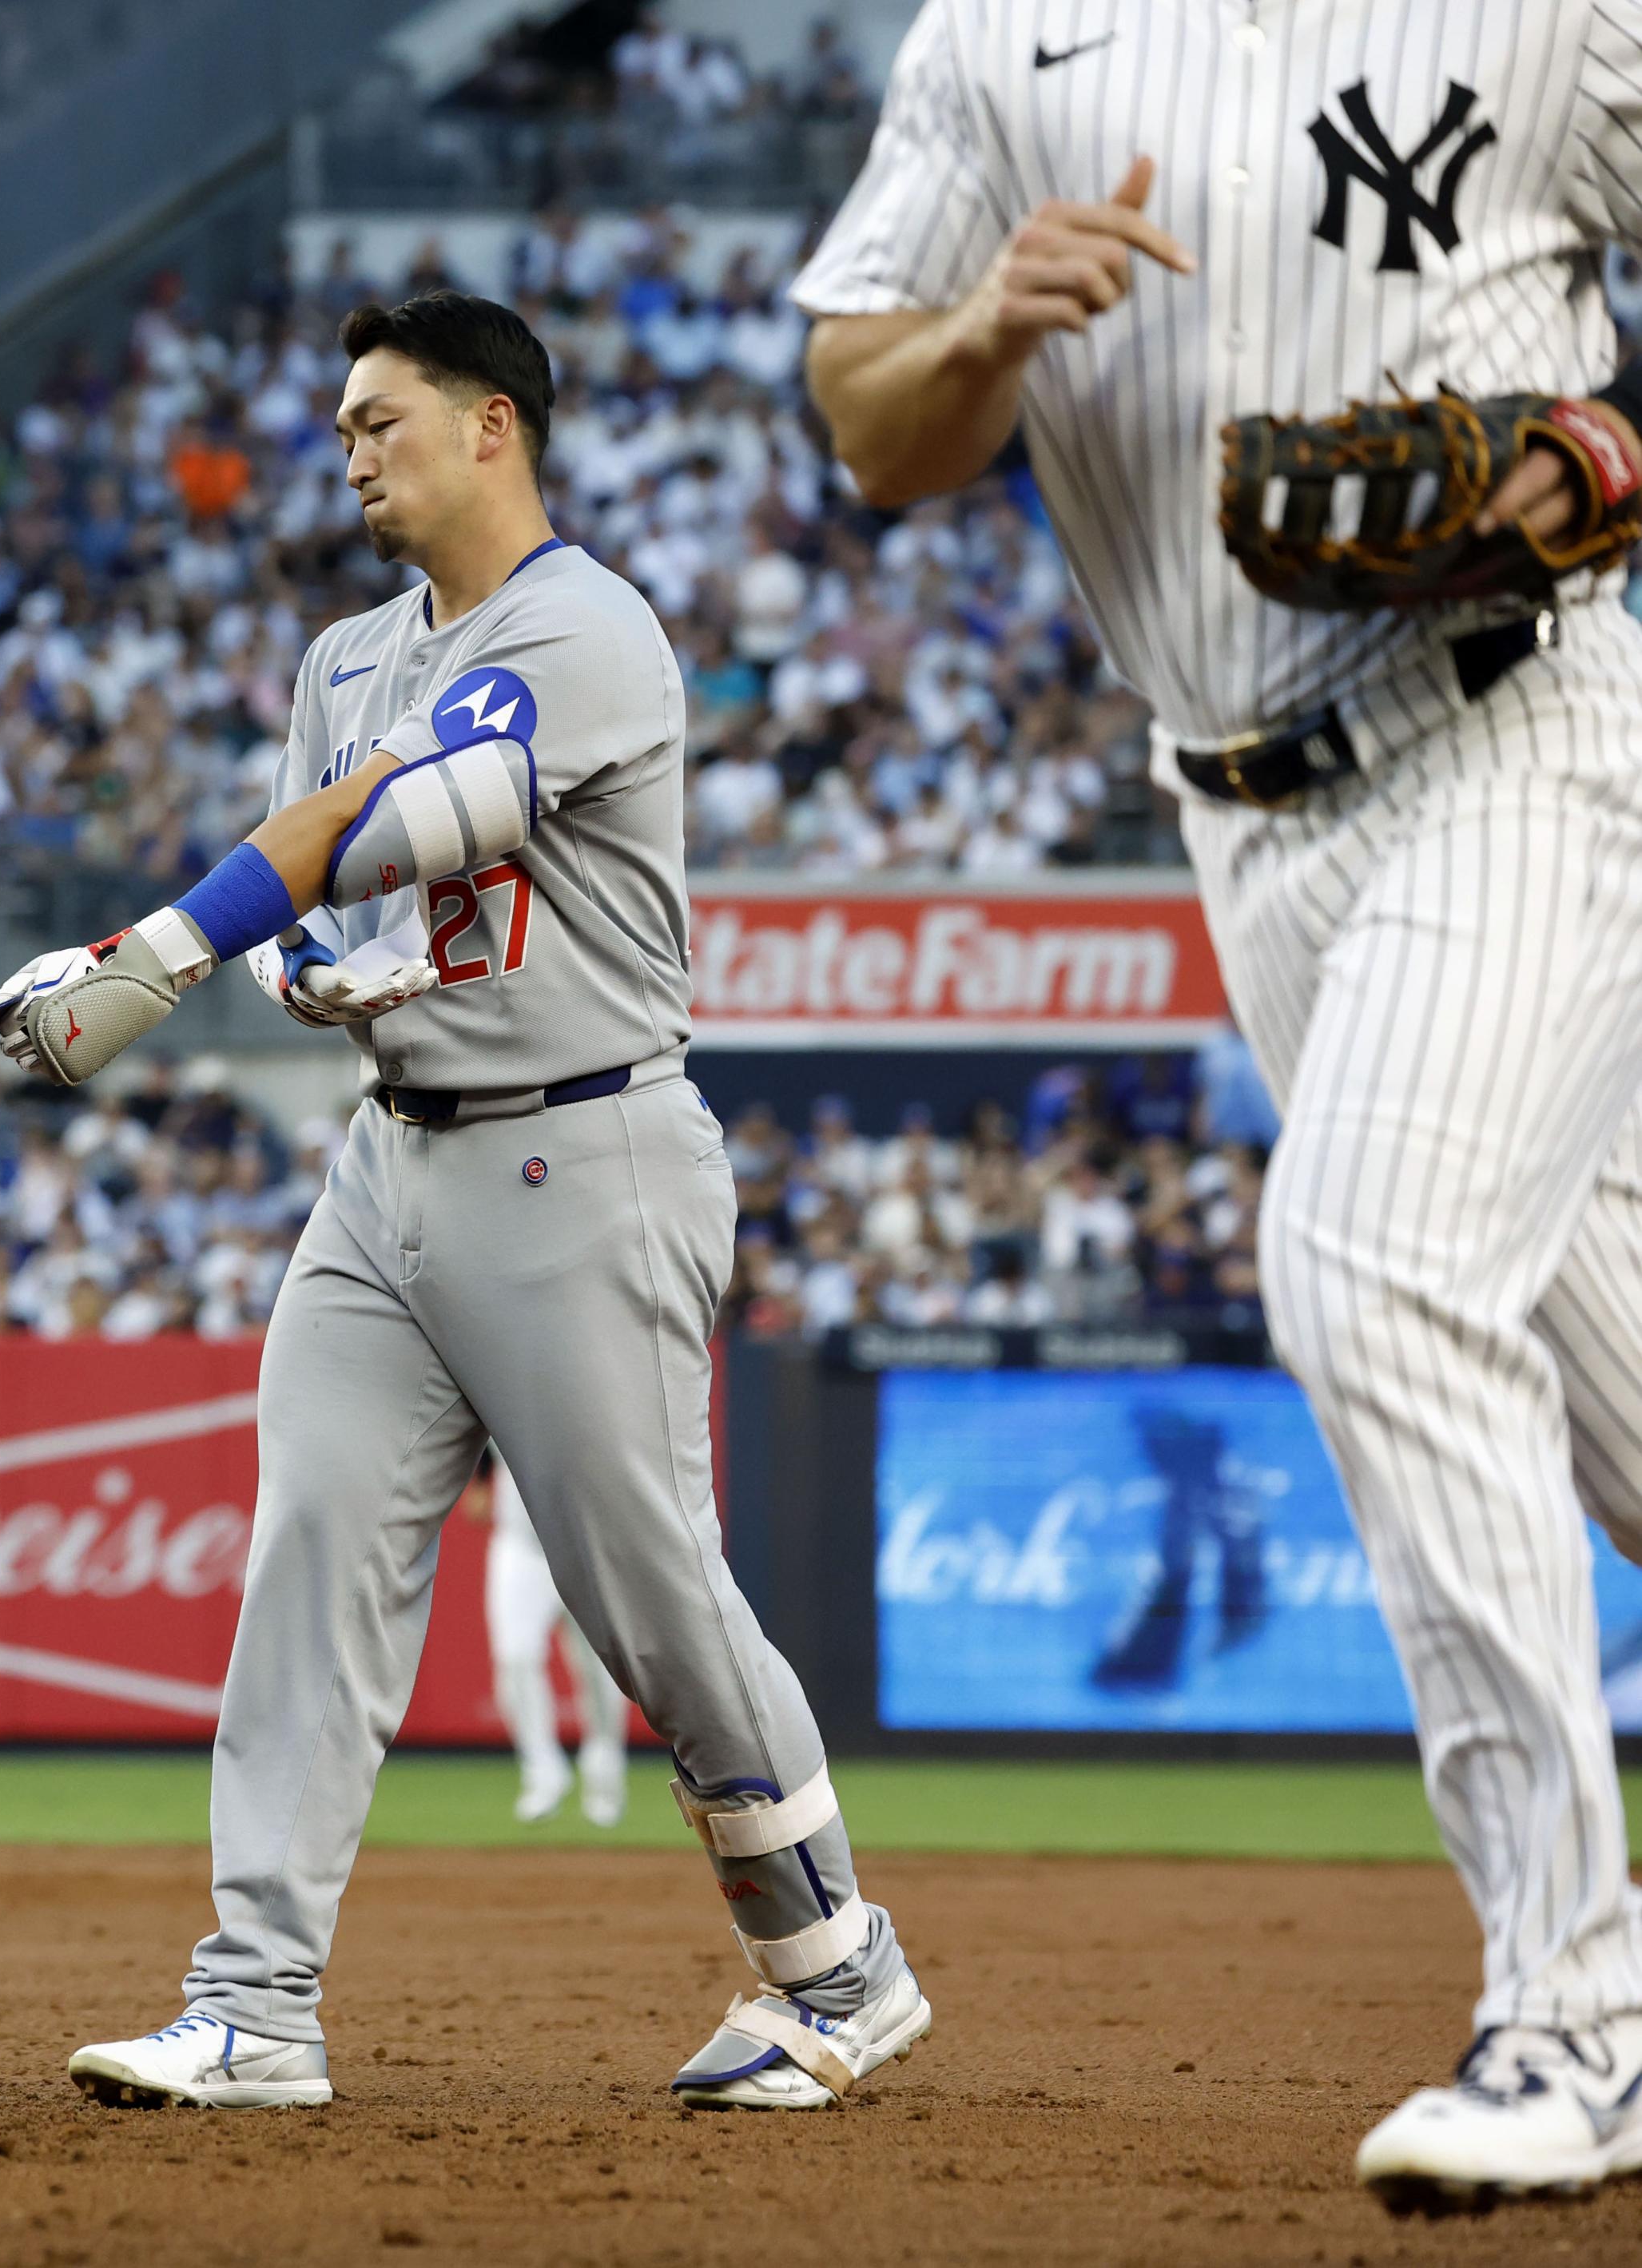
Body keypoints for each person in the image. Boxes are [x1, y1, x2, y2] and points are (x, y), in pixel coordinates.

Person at [793, 0, 1642, 2210]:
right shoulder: (993, 39)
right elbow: (867, 420)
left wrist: (1611, 446)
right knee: (1618, 1403)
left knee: (1362, 1268)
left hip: (1514, 724)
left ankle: (1576, 2003)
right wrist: (983, 322)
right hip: (1244, 821)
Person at [0, 289, 928, 2113]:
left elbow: (438, 811)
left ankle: (836, 1960)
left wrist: (160, 950)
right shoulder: (341, 652)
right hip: (386, 1167)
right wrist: (290, 977)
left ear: (491, 423)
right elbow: (323, 896)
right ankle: (254, 2000)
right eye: (340, 425)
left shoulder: (586, 627)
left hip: (579, 1156)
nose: (349, 449)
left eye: (378, 416)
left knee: (645, 1597)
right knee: (310, 1544)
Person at [463, 1447, 630, 1826]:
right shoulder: (505, 1387)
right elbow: (482, 1428)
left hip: (586, 1548)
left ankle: (605, 1774)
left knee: (600, 1669)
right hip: (520, 1548)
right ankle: (542, 1772)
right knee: (515, 1658)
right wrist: (481, 1479)